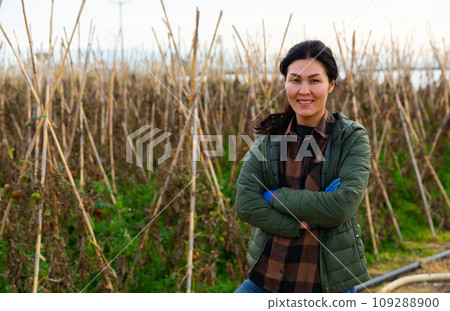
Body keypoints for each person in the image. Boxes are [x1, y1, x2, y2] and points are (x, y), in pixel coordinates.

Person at [234, 40, 371, 293]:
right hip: (265, 280)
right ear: (285, 83)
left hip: (326, 285)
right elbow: (246, 204)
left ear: (331, 84)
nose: (304, 90)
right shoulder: (269, 136)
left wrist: (275, 197)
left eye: (314, 81)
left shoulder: (350, 138)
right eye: (295, 80)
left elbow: (341, 207)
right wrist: (300, 223)